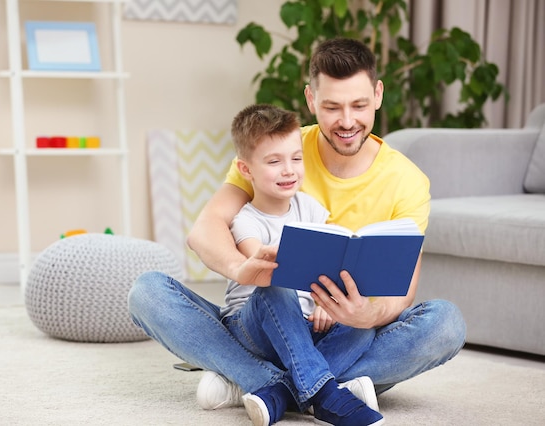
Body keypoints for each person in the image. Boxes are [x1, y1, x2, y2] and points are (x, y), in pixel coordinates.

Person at [128, 37, 466, 425]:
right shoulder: (281, 146)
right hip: (265, 319)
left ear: (377, 94)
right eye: (331, 106)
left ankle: (259, 385)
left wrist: (365, 313)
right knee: (148, 292)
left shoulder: (407, 180)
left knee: (446, 323)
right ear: (310, 99)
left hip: (338, 330)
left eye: (358, 105)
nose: (347, 121)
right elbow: (204, 231)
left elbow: (401, 293)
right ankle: (324, 390)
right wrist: (243, 270)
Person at [221, 102, 383, 425]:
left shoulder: (310, 209)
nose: (289, 170)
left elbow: (325, 271)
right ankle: (326, 396)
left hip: (306, 326)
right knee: (276, 287)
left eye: (296, 158)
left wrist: (330, 303)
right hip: (254, 324)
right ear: (246, 170)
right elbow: (267, 269)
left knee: (363, 324)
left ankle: (280, 394)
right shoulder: (246, 221)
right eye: (274, 161)